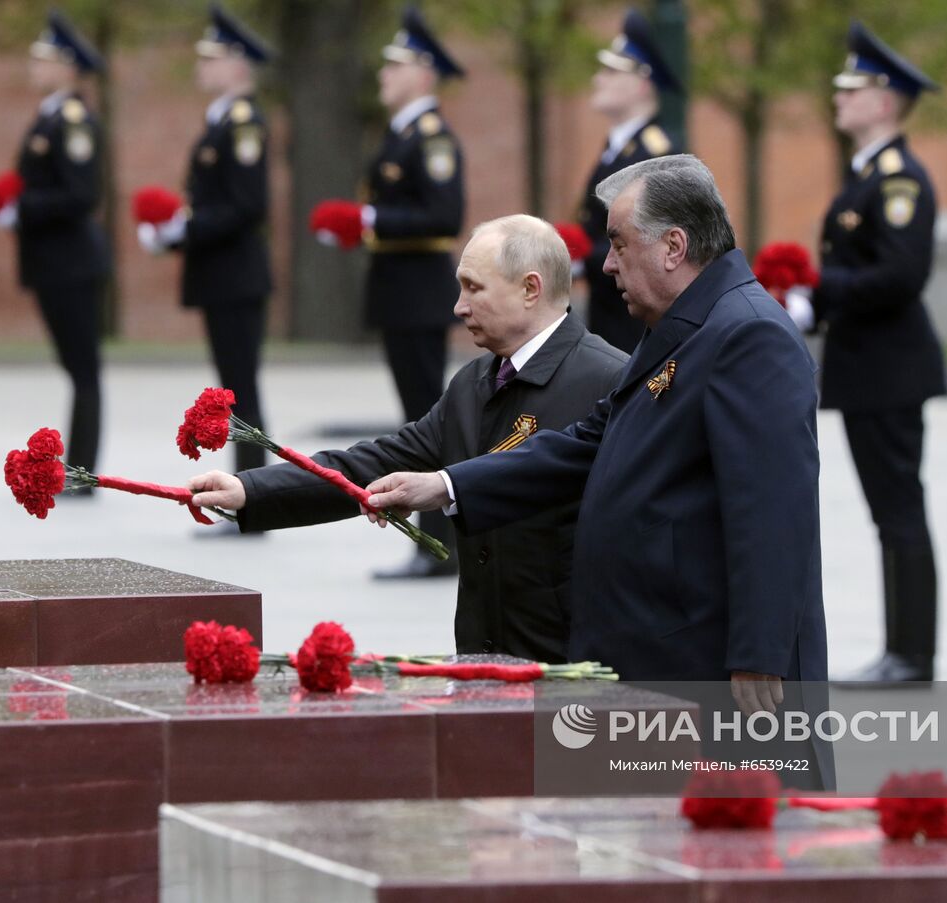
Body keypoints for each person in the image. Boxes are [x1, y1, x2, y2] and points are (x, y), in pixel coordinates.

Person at [364, 156, 832, 786]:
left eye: (618, 243)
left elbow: (776, 510)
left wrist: (760, 654)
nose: (606, 264)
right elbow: (587, 442)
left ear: (674, 246)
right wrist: (446, 485)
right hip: (661, 654)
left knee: (740, 852)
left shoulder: (748, 336)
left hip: (724, 674)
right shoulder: (684, 328)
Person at [189, 216, 627, 662]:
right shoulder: (474, 382)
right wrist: (251, 490)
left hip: (574, 662)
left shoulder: (608, 378)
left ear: (530, 289)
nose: (458, 307)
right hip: (485, 651)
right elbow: (379, 460)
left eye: (474, 289)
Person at [784, 22, 946, 687]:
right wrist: (808, 304)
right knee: (890, 513)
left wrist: (819, 289)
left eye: (852, 89)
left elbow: (901, 275)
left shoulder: (899, 179)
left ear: (884, 102)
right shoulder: (866, 176)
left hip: (890, 368)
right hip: (868, 367)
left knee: (900, 511)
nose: (839, 97)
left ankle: (911, 654)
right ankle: (901, 649)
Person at [309, 6, 466, 578]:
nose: (384, 75)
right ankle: (430, 542)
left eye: (395, 66)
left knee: (428, 420)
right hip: (398, 290)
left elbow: (444, 215)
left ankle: (439, 542)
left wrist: (371, 217)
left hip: (420, 291)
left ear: (423, 74)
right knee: (416, 417)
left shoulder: (432, 137)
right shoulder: (400, 134)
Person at [0, 11, 106, 482]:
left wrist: (18, 209)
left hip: (72, 261)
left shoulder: (73, 120)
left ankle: (83, 473)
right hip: (53, 262)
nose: (33, 65)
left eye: (42, 58)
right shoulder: (49, 116)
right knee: (74, 366)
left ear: (68, 66)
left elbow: (81, 194)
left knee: (83, 369)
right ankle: (78, 471)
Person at [139, 4, 272, 475]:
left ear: (238, 65)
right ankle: (246, 493)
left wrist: (184, 229)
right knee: (232, 387)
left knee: (240, 391)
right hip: (222, 274)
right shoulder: (222, 121)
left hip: (236, 274)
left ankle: (253, 495)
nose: (201, 65)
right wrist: (175, 235)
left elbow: (245, 206)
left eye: (211, 57)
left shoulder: (243, 125)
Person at [575, 9, 683, 354]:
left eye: (611, 71)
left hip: (636, 318)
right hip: (609, 307)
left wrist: (582, 257)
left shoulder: (654, 153)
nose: (598, 80)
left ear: (640, 83)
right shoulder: (615, 147)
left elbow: (648, 239)